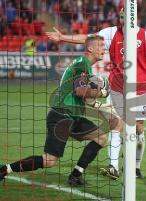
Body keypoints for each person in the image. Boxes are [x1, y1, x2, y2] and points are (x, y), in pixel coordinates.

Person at [46, 8, 146, 180]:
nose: (121, 19)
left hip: (140, 90)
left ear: (134, 17)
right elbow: (89, 39)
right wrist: (63, 37)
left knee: (139, 129)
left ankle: (135, 166)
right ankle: (113, 166)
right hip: (117, 89)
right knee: (115, 124)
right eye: (120, 16)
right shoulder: (111, 33)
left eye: (124, 16)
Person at [0, 35, 110, 186]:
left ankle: (75, 175)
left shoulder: (84, 64)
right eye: (101, 45)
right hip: (62, 116)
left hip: (73, 116)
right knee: (49, 161)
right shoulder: (83, 63)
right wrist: (103, 92)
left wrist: (100, 105)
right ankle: (5, 169)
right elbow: (80, 91)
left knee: (101, 137)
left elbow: (83, 96)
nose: (104, 49)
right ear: (90, 48)